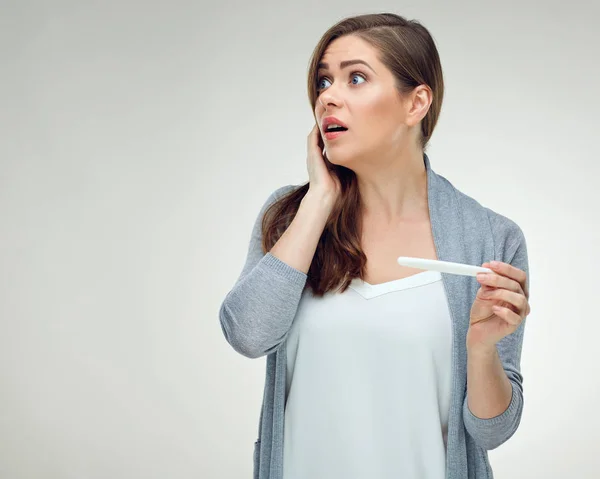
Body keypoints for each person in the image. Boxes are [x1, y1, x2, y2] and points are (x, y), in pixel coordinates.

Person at [219, 12, 531, 479]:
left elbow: (490, 433)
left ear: (416, 103)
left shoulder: (489, 238)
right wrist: (319, 199)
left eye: (356, 78)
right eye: (324, 81)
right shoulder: (290, 217)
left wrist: (482, 349)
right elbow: (247, 335)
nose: (328, 96)